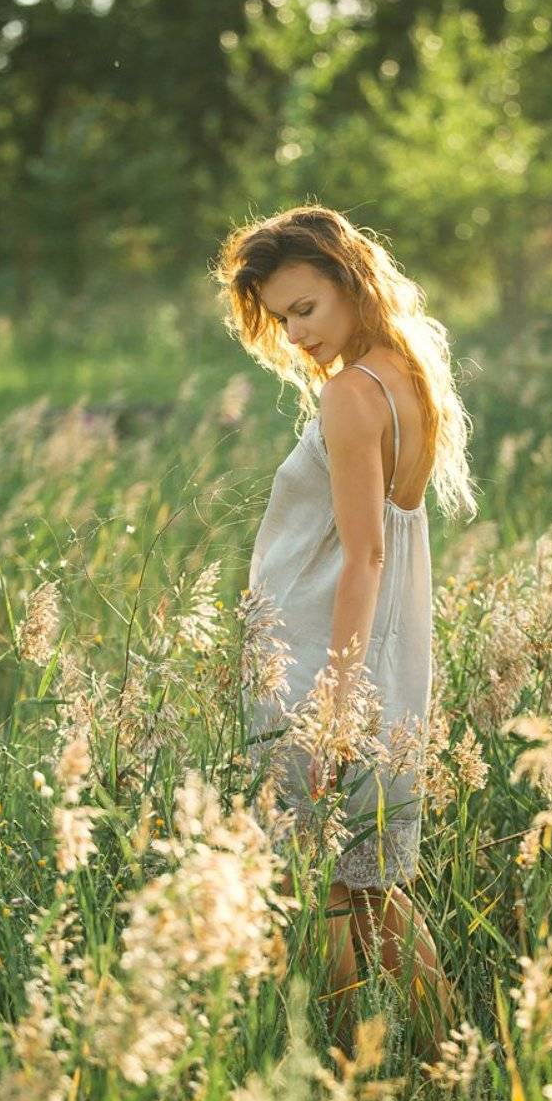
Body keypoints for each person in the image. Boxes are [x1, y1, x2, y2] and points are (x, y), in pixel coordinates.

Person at [212, 204, 479, 1055]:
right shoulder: (407, 371)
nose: (296, 336)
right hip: (377, 661)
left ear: (352, 281)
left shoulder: (353, 394)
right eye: (282, 319)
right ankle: (451, 1065)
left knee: (328, 893)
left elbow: (364, 556)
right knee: (371, 893)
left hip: (323, 669)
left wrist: (334, 707)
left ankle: (346, 1075)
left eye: (306, 309)